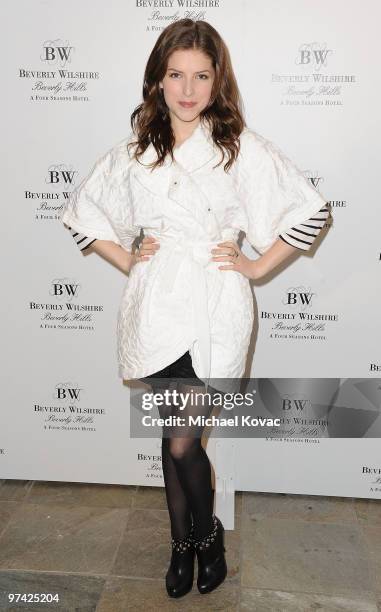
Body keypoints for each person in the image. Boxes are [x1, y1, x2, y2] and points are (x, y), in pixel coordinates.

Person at [60, 19, 330, 598]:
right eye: (176, 75)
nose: (188, 89)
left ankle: (202, 538)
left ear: (217, 80)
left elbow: (309, 210)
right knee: (174, 435)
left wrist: (256, 267)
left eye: (201, 76)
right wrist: (129, 259)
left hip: (214, 306)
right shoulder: (136, 152)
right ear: (158, 80)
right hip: (156, 307)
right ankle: (186, 545)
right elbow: (83, 211)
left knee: (183, 440)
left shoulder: (240, 148)